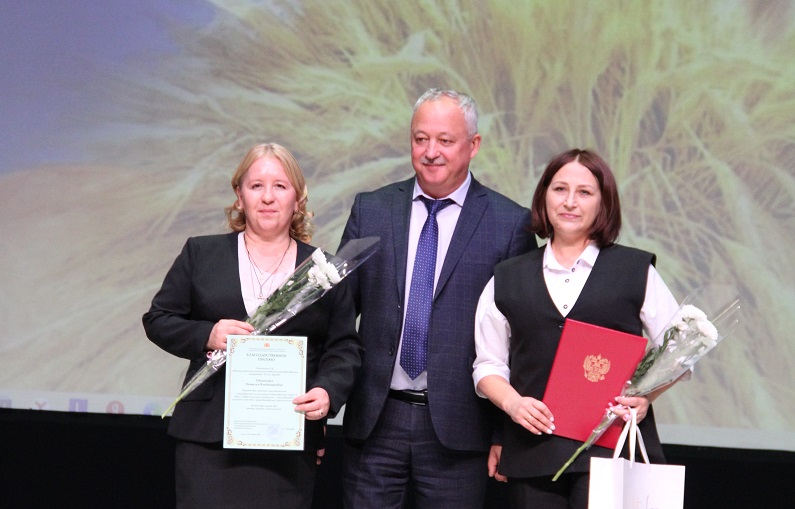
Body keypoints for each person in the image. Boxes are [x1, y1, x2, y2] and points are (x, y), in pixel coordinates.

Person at [339, 88, 536, 508]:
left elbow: (520, 341)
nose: (431, 152)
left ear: (473, 145)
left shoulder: (510, 224)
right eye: (420, 139)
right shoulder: (371, 210)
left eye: (445, 140)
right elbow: (338, 318)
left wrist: (504, 434)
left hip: (461, 430)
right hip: (375, 422)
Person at [142, 143, 363, 509]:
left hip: (288, 436)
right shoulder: (201, 253)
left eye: (280, 186)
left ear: (298, 198)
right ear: (239, 196)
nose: (268, 197)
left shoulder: (323, 270)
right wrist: (208, 334)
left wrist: (327, 391)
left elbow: (345, 347)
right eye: (256, 185)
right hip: (209, 440)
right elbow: (158, 319)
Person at [473, 148, 683, 508]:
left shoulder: (635, 270)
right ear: (544, 196)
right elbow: (487, 364)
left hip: (612, 450)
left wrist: (645, 398)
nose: (570, 202)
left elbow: (679, 348)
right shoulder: (507, 277)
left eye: (584, 192)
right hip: (533, 450)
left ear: (603, 203)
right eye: (560, 189)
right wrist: (513, 403)